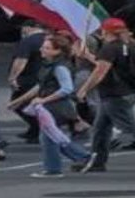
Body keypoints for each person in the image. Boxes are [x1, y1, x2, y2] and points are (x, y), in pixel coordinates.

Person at [75, 18, 135, 173]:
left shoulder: (109, 48)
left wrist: (84, 89)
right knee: (100, 128)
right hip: (124, 91)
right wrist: (89, 56)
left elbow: (101, 71)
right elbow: (111, 66)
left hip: (114, 93)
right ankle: (97, 160)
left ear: (105, 31)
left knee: (131, 127)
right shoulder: (125, 46)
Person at [9, 33, 90, 178]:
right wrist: (18, 101)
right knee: (51, 135)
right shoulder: (50, 65)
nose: (41, 49)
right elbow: (41, 86)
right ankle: (79, 157)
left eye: (46, 48)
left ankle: (58, 166)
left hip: (56, 106)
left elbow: (67, 89)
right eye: (43, 47)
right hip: (52, 105)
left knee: (48, 136)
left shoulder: (59, 67)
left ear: (57, 51)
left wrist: (43, 100)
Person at [7, 22, 46, 144]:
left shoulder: (28, 41)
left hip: (28, 77)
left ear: (28, 28)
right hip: (43, 75)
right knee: (35, 105)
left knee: (18, 104)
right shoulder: (48, 38)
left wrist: (13, 77)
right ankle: (34, 129)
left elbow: (21, 60)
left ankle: (37, 128)